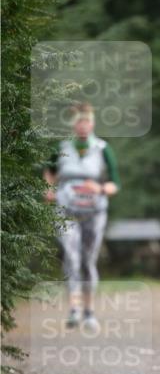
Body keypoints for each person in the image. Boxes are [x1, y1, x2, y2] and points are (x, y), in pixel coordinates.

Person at [43, 102, 120, 331]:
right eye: (79, 121)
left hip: (94, 212)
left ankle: (89, 312)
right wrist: (48, 189)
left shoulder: (103, 148)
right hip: (66, 210)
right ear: (73, 124)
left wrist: (101, 188)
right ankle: (74, 310)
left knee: (87, 260)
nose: (83, 126)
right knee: (71, 256)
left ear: (92, 123)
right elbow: (49, 172)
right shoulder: (61, 147)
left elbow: (115, 183)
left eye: (87, 121)